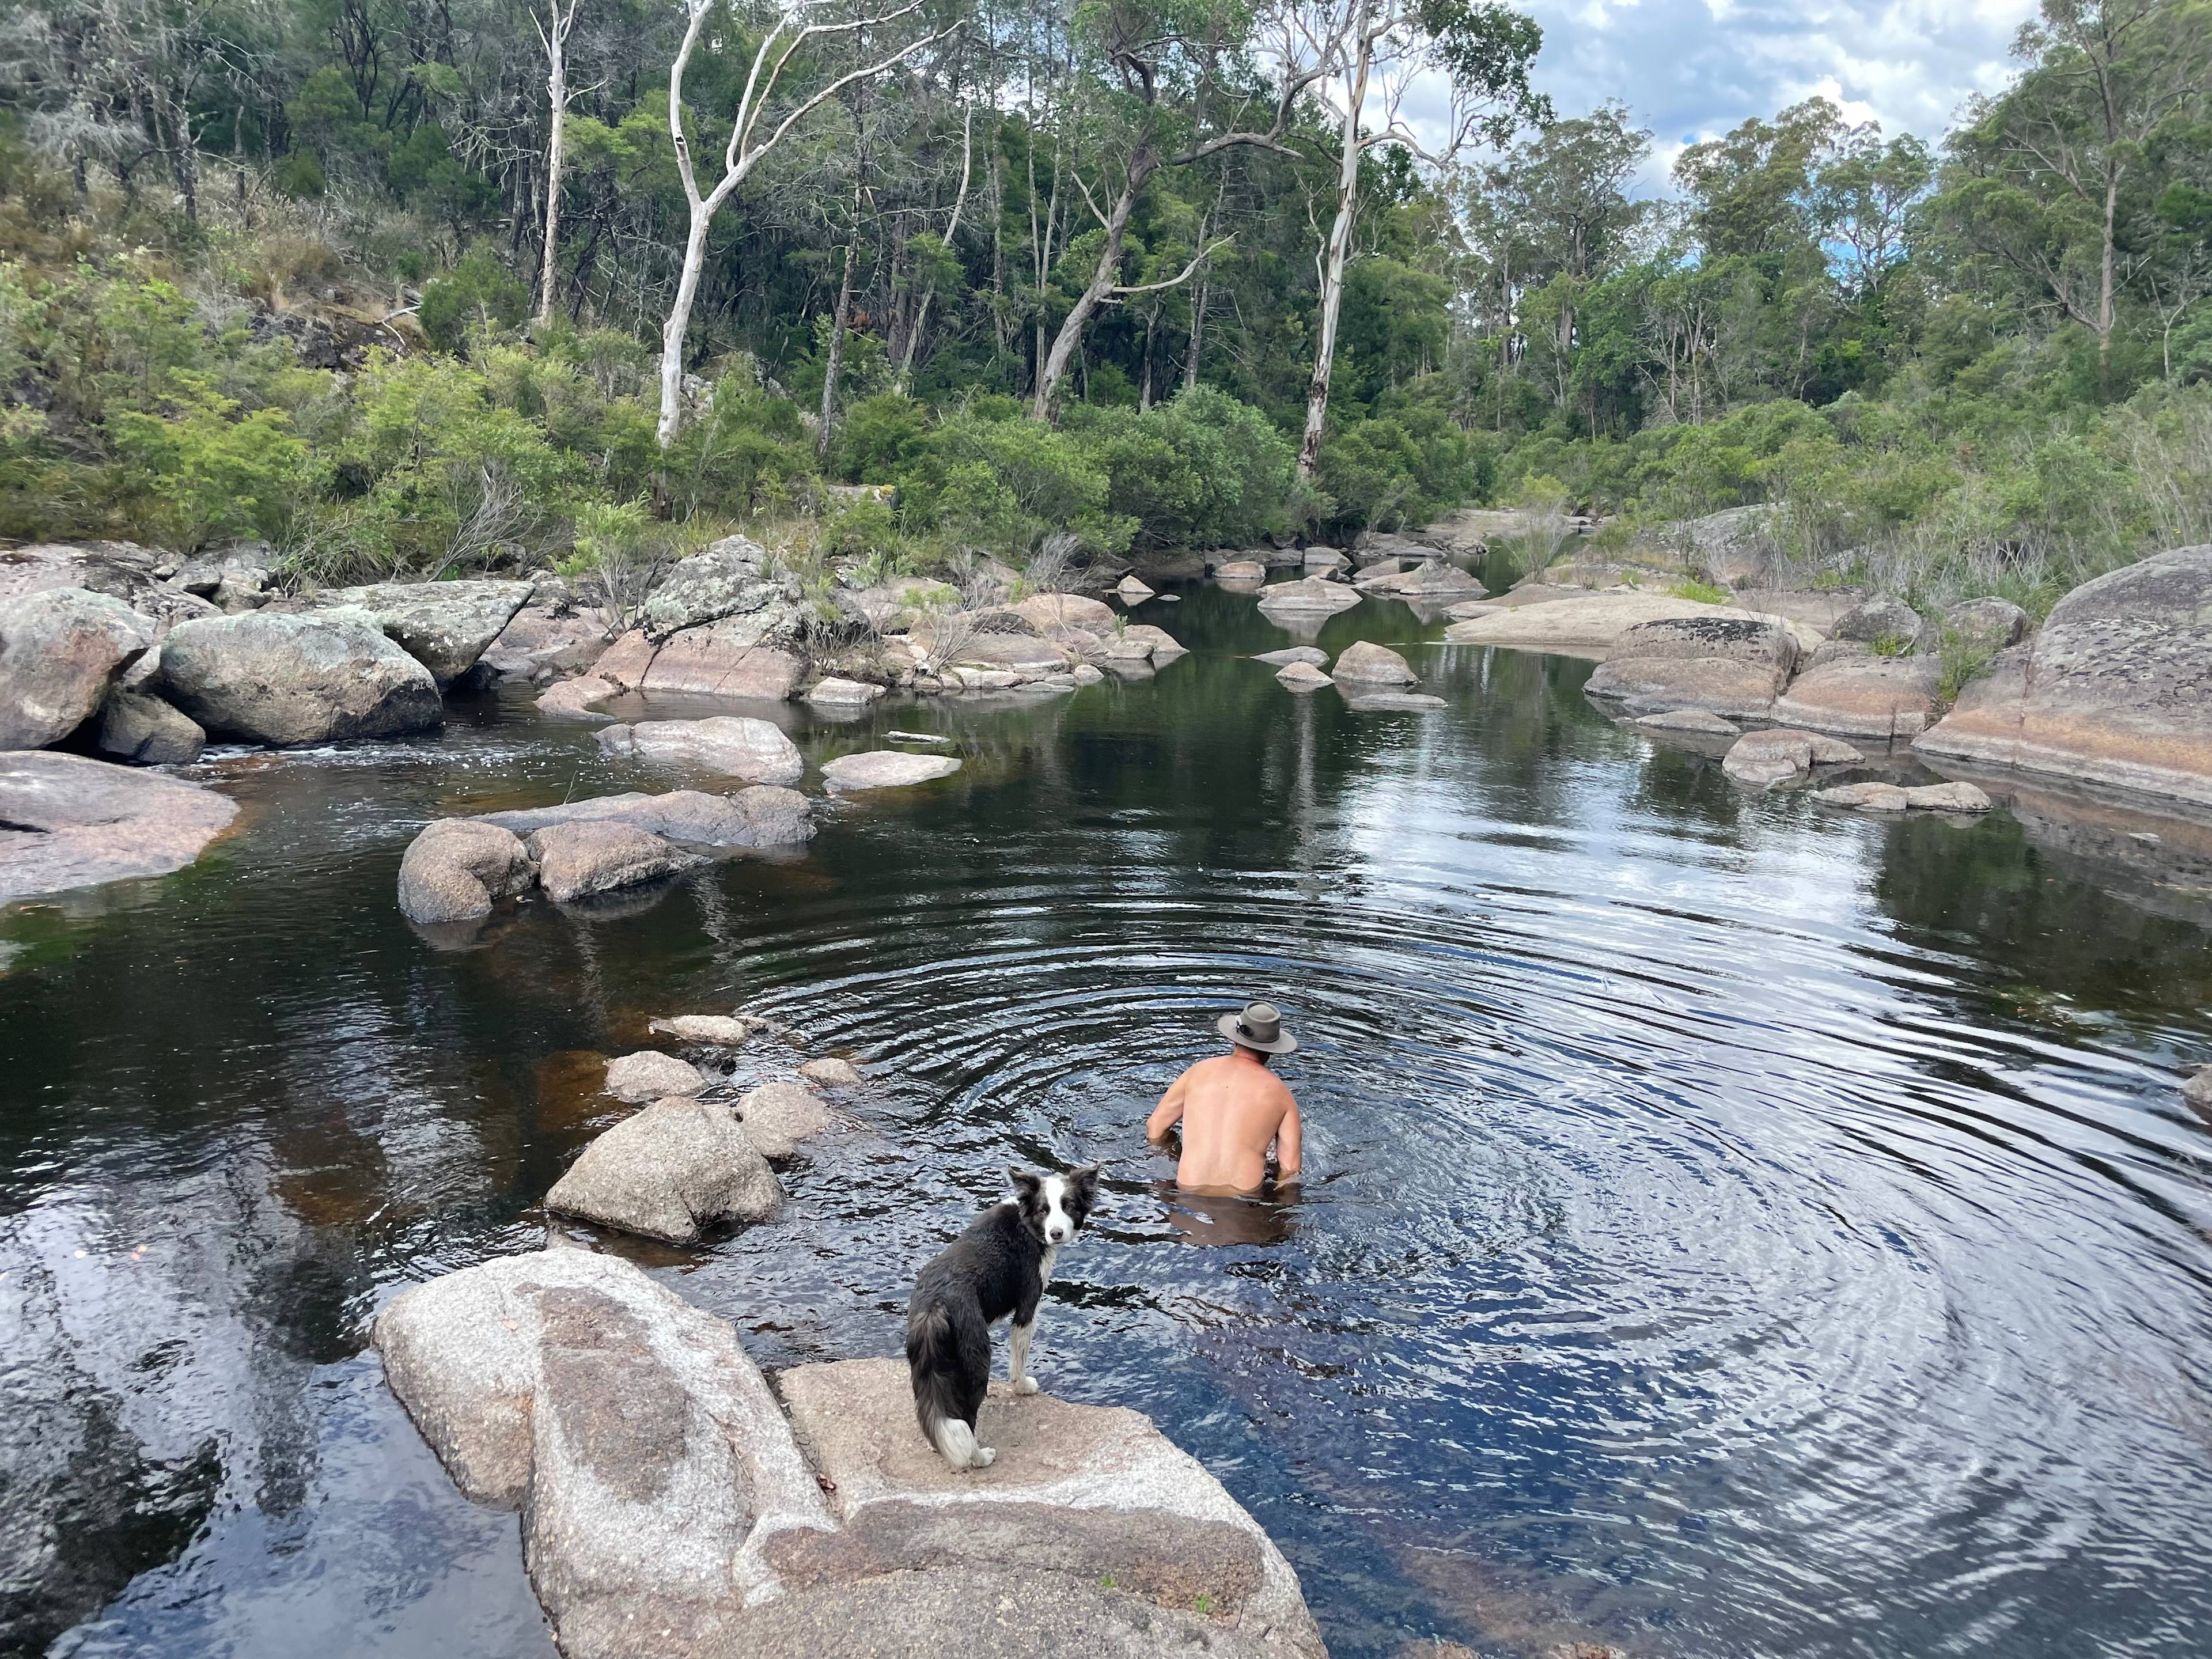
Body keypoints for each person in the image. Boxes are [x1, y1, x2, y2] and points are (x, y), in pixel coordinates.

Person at [1146, 1002, 1302, 1194]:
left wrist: (1174, 1159)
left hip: (1187, 1192)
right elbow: (1291, 1169)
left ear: (1235, 1039)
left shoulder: (1197, 1073)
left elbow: (1155, 1127)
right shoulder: (1282, 1095)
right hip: (1244, 1199)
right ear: (1272, 1049)